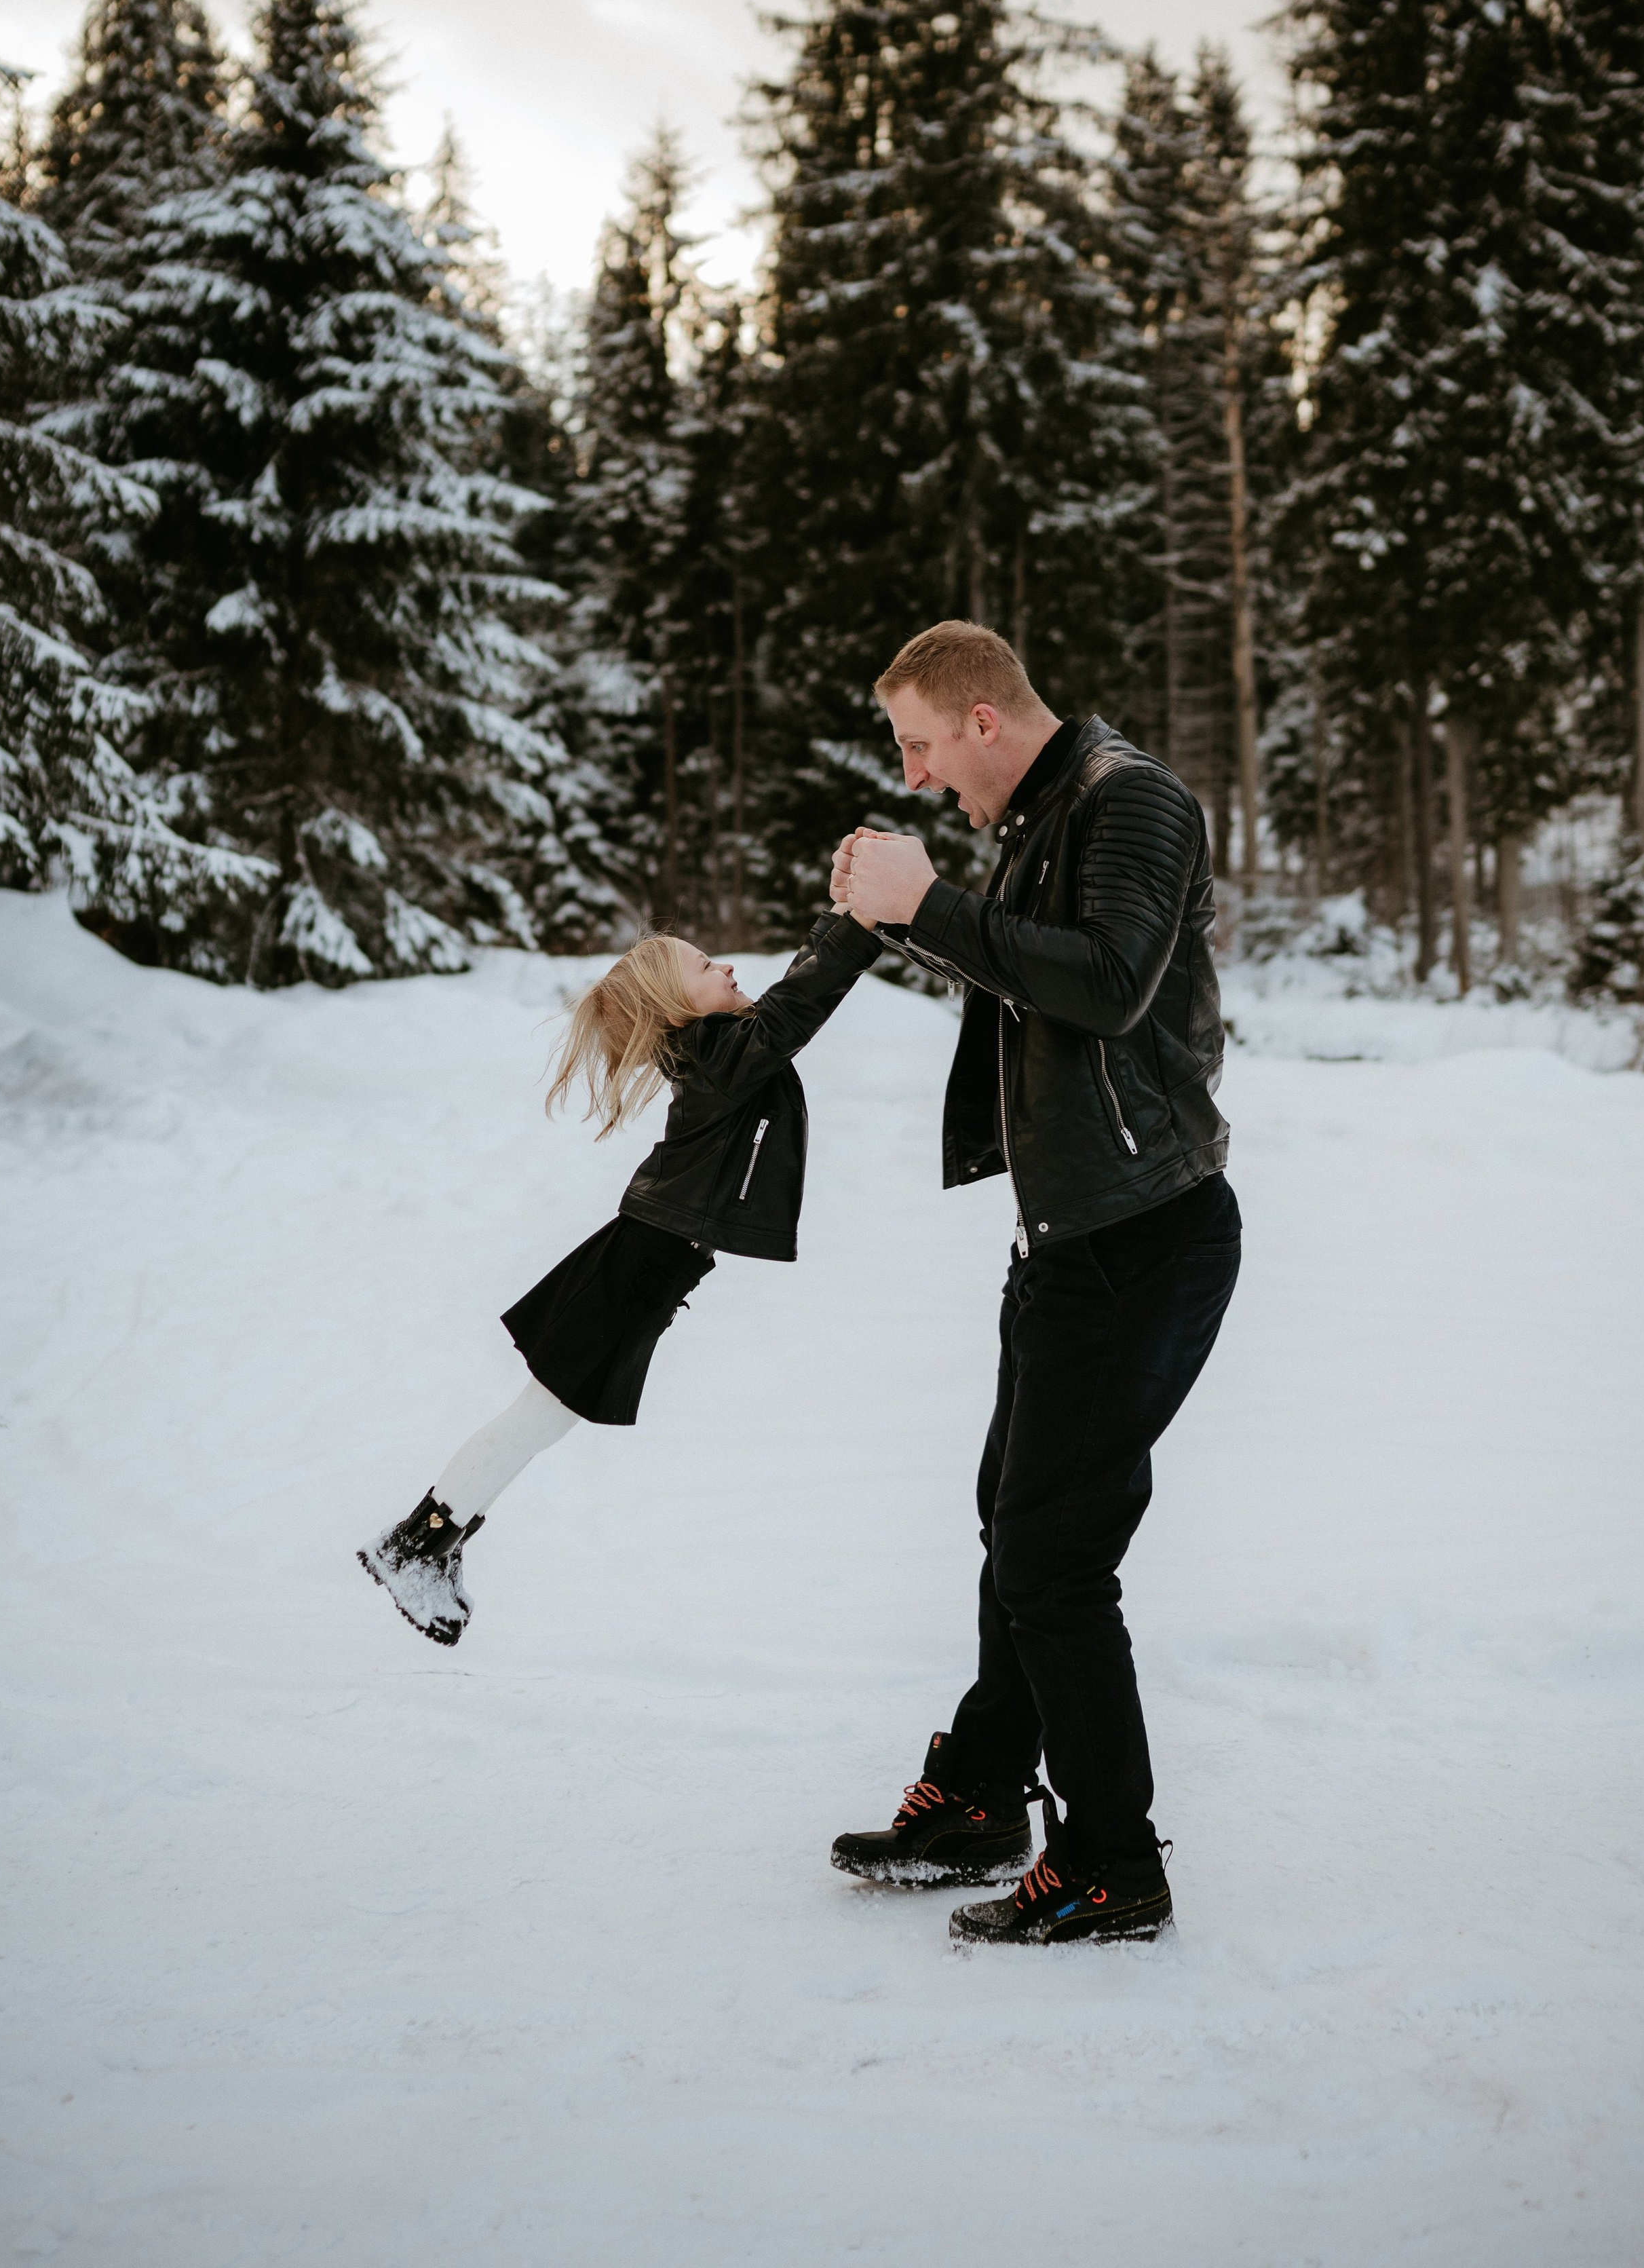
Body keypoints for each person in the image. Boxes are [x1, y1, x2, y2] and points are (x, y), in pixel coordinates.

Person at [828, 620, 1240, 1948]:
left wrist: (928, 907)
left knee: (1052, 1552)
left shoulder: (1132, 802)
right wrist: (916, 921)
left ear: (984, 722)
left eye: (922, 743)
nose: (917, 775)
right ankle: (983, 1796)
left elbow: (1113, 987)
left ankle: (1111, 1863)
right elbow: (1029, 975)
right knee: (1016, 1517)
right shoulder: (1042, 813)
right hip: (1071, 1234)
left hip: (1144, 1233)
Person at [358, 914, 881, 1644]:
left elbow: (783, 1003)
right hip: (637, 1266)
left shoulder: (718, 1049)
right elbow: (797, 1007)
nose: (726, 966)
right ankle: (415, 1546)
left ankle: (428, 1540)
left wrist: (842, 918)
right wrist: (859, 928)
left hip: (649, 1263)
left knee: (542, 1421)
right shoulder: (717, 1056)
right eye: (705, 966)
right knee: (536, 1419)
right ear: (675, 1007)